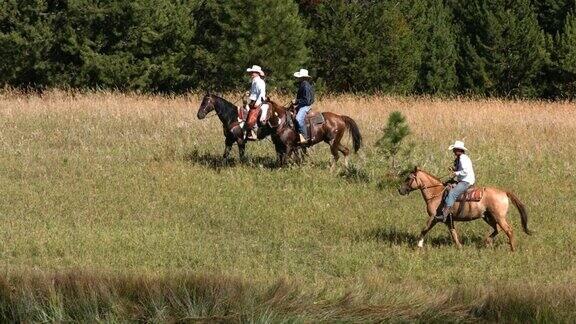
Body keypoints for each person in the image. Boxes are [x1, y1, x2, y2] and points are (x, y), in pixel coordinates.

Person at [438, 140, 476, 221]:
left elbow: (465, 171)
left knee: (452, 193)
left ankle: (444, 214)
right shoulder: (460, 158)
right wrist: (454, 169)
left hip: (466, 181)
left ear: (459, 150)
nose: (453, 151)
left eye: (455, 150)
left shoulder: (463, 158)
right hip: (463, 180)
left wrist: (456, 173)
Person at [292, 68, 315, 143]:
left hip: (305, 106)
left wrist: (296, 101)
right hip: (301, 105)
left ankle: (304, 136)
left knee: (298, 119)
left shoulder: (305, 85)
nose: (297, 78)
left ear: (302, 77)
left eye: (299, 77)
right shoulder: (304, 84)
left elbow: (307, 101)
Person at [245, 65, 267, 140]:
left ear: (257, 73)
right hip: (252, 101)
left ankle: (254, 131)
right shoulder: (254, 81)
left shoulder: (260, 82)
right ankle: (248, 131)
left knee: (252, 116)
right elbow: (254, 92)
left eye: (253, 72)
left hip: (258, 102)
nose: (251, 73)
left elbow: (262, 93)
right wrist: (249, 93)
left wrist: (257, 102)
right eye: (251, 72)